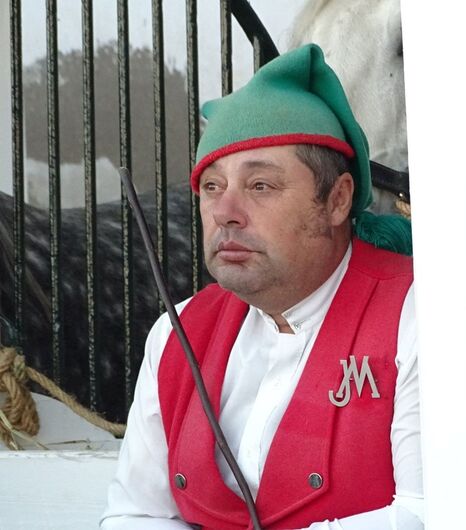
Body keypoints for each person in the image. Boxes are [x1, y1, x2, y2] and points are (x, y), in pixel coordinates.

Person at [101, 44, 423, 530]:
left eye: (260, 187)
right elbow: (136, 513)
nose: (225, 211)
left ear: (337, 201)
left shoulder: (418, 313)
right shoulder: (176, 332)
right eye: (212, 186)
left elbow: (433, 513)